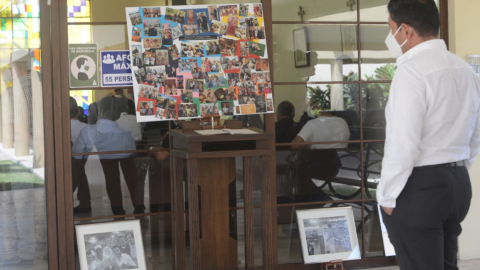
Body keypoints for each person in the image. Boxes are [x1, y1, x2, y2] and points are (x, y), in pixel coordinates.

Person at [377, 1, 480, 269]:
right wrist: (457, 168)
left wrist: (386, 197)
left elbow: (403, 142)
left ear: (406, 30)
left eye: (391, 29)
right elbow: (476, 131)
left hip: (420, 186)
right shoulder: (465, 70)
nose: (391, 37)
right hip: (458, 183)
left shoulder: (411, 71)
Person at [72, 96, 145, 216]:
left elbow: (77, 155)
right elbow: (132, 153)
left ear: (99, 112)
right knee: (131, 179)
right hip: (125, 161)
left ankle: (117, 209)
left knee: (112, 180)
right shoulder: (126, 135)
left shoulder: (87, 131)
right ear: (117, 115)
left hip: (94, 170)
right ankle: (138, 207)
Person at [70, 97, 91, 214]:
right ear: (78, 111)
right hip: (81, 159)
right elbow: (89, 146)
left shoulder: (59, 127)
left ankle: (84, 202)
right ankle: (85, 202)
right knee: (81, 176)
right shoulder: (85, 127)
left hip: (70, 159)